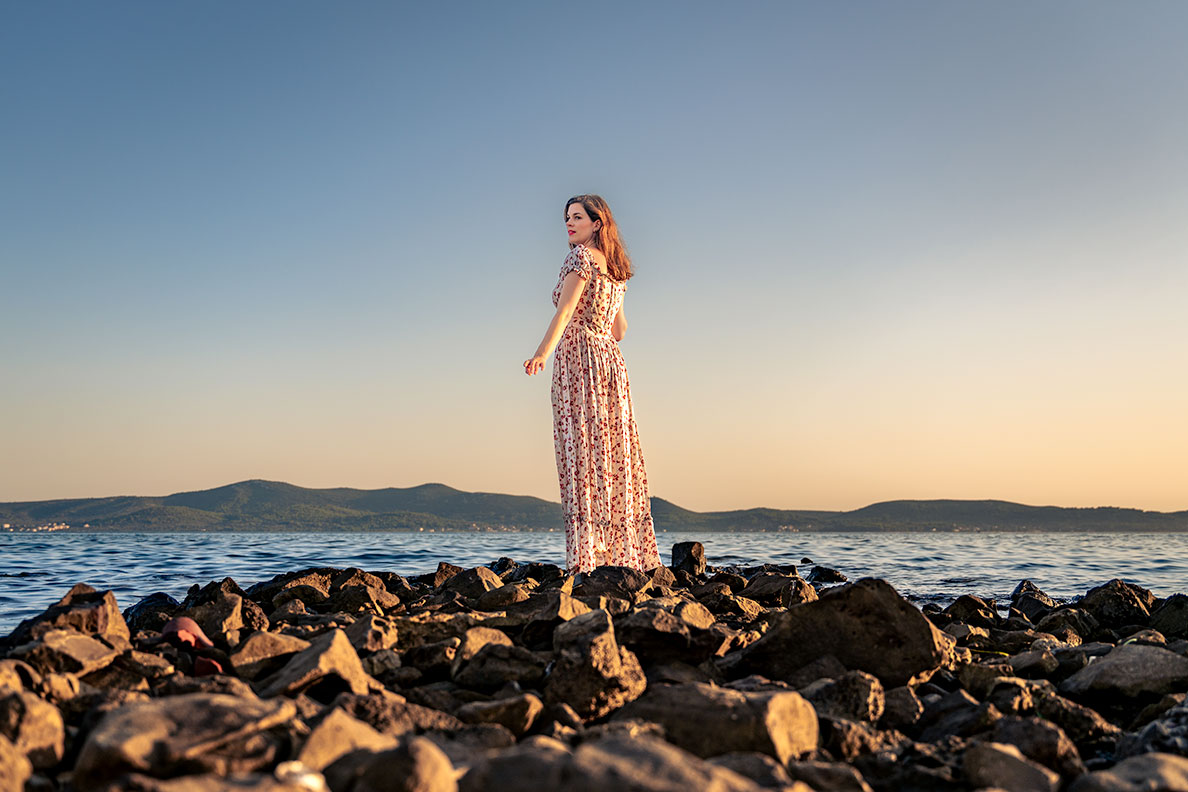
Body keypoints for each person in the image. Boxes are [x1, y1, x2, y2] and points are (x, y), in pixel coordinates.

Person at [523, 194, 663, 577]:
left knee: (582, 451)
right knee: (612, 453)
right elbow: (620, 330)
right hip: (610, 363)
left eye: (577, 217)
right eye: (567, 217)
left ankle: (588, 558)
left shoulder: (580, 259)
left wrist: (541, 353)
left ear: (597, 223)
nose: (569, 223)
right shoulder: (616, 270)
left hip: (580, 357)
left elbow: (566, 311)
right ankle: (622, 555)